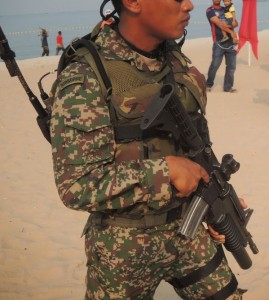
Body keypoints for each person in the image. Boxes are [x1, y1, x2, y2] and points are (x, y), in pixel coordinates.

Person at [50, 0, 247, 299]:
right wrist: (166, 172)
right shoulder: (87, 77)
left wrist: (214, 203)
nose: (190, 5)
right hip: (123, 246)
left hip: (189, 230)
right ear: (133, 2)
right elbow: (77, 185)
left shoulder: (174, 58)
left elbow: (195, 141)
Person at [206, 0, 238, 93]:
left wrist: (231, 24)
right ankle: (208, 84)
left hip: (231, 43)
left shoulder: (226, 9)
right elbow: (219, 24)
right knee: (215, 65)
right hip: (218, 43)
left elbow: (235, 23)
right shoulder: (209, 10)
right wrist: (231, 31)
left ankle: (228, 87)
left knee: (231, 67)